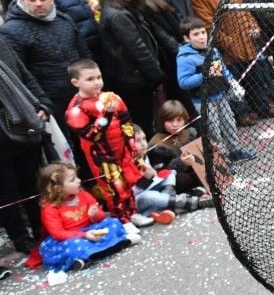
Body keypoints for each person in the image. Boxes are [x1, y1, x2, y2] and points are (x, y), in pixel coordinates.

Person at [63, 59, 153, 226]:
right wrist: (106, 115)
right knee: (114, 189)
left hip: (122, 150)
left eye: (99, 77)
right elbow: (91, 135)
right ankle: (123, 221)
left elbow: (127, 121)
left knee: (127, 183)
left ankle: (132, 213)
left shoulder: (112, 97)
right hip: (101, 157)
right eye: (90, 79)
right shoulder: (76, 109)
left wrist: (131, 146)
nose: (97, 82)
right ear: (76, 82)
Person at [0, 0, 92, 131]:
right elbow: (19, 74)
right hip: (50, 102)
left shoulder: (64, 20)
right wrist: (39, 104)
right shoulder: (11, 31)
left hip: (79, 95)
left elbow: (84, 55)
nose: (38, 3)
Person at [0, 35, 53, 256]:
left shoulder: (2, 43)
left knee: (32, 182)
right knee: (6, 191)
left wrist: (41, 104)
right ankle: (21, 238)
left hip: (24, 126)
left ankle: (42, 228)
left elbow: (25, 77)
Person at [176, 17, 256, 161]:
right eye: (196, 34)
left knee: (229, 124)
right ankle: (221, 160)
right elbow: (183, 82)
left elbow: (223, 69)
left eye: (203, 32)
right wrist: (204, 75)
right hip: (204, 101)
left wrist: (233, 82)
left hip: (221, 95)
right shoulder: (185, 58)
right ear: (187, 38)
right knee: (213, 131)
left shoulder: (212, 50)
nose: (201, 37)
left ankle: (235, 152)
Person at [97, 0, 166, 133]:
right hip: (134, 81)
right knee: (144, 126)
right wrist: (157, 75)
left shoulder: (124, 9)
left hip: (133, 78)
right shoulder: (118, 15)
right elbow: (138, 49)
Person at [37, 162, 138, 273]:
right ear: (58, 188)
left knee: (113, 222)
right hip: (69, 238)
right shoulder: (49, 208)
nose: (79, 181)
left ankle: (90, 255)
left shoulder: (83, 194)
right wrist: (84, 235)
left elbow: (101, 216)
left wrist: (94, 215)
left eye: (76, 177)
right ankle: (117, 245)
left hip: (90, 229)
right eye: (72, 180)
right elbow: (58, 233)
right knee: (73, 246)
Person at [129, 124, 210, 217]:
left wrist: (152, 176)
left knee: (170, 174)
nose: (143, 143)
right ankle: (197, 203)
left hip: (156, 192)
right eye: (137, 141)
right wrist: (146, 178)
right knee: (150, 196)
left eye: (144, 139)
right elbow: (132, 192)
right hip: (140, 200)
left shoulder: (143, 156)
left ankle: (165, 207)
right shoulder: (126, 163)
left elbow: (156, 178)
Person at [149, 100, 208, 196]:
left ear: (185, 120)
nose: (175, 124)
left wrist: (209, 150)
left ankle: (202, 188)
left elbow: (201, 158)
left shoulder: (190, 133)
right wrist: (181, 162)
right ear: (162, 121)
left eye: (179, 120)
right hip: (175, 178)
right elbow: (161, 173)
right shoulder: (156, 144)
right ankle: (194, 192)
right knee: (183, 179)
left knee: (208, 168)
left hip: (195, 173)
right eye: (170, 121)